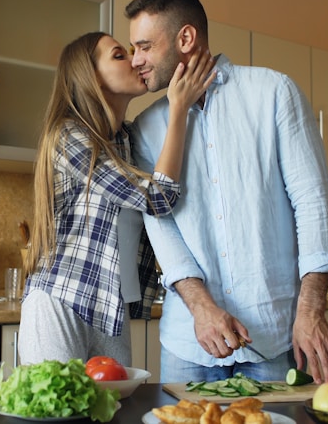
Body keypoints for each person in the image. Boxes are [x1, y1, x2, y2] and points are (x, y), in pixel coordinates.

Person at [125, 0, 328, 383]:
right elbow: (161, 225)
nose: (136, 61)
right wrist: (201, 308)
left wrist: (311, 311)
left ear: (185, 38)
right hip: (189, 343)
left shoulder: (274, 93)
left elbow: (312, 202)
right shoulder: (145, 128)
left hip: (273, 337)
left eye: (144, 47)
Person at [17, 31, 216, 366]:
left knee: (111, 415)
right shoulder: (69, 136)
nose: (135, 60)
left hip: (111, 306)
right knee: (56, 414)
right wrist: (178, 107)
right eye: (119, 55)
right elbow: (160, 197)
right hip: (60, 302)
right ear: (90, 75)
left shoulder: (126, 140)